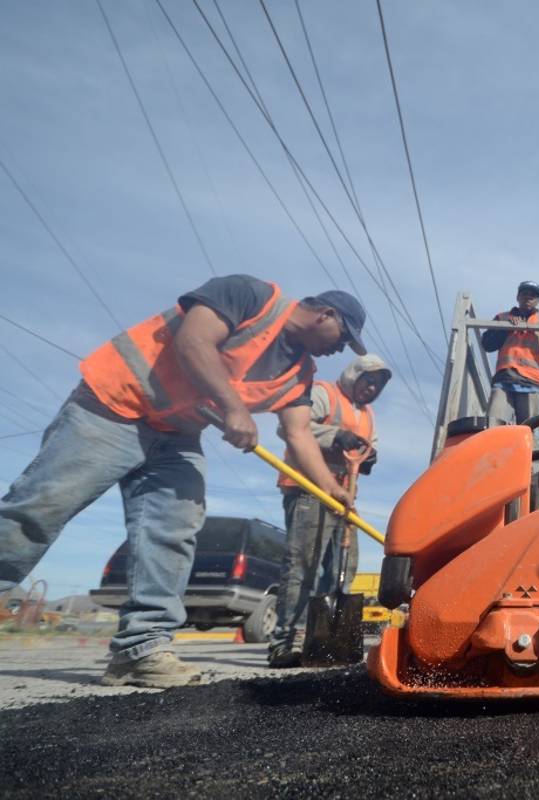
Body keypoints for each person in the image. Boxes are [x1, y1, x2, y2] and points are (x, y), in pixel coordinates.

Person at [0, 276, 365, 687]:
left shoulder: (301, 374)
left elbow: (299, 434)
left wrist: (332, 490)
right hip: (112, 408)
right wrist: (233, 409)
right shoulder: (253, 296)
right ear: (325, 314)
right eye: (343, 336)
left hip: (177, 436)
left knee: (173, 530)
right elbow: (193, 341)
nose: (340, 348)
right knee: (38, 509)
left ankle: (142, 648)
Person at [268, 354, 391, 667]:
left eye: (378, 385)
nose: (372, 388)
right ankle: (285, 641)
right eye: (369, 380)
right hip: (309, 490)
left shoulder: (368, 415)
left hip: (343, 499)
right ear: (355, 375)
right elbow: (291, 429)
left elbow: (364, 450)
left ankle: (322, 641)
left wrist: (369, 456)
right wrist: (335, 435)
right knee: (303, 567)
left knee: (344, 567)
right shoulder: (325, 394)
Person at [481, 280, 539, 424]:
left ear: (537, 301)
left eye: (532, 296)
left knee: (527, 429)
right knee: (492, 425)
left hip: (531, 383)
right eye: (524, 294)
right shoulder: (502, 318)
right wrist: (506, 328)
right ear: (518, 297)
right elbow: (487, 344)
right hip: (504, 380)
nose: (528, 298)